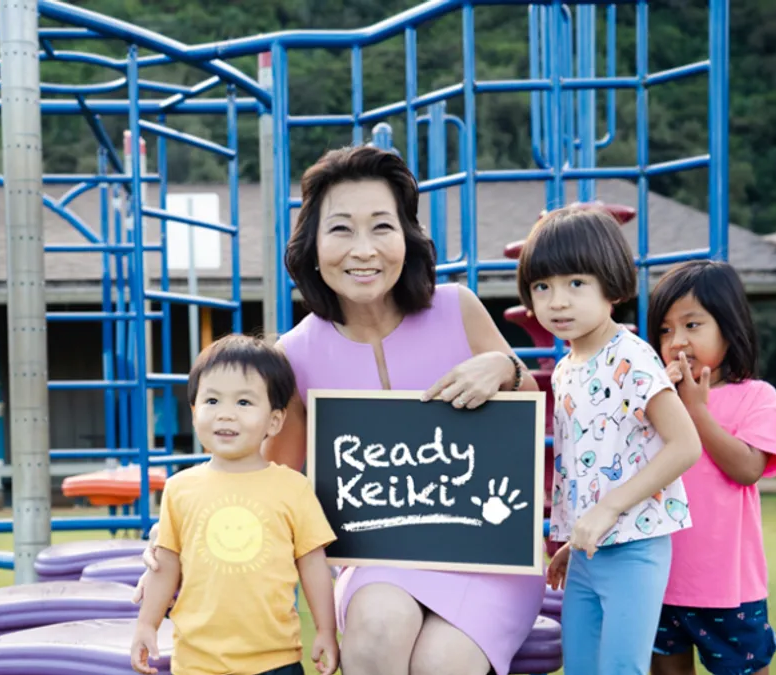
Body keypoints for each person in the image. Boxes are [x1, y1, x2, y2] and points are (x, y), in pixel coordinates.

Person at [138, 144, 547, 675]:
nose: (363, 249)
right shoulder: (295, 355)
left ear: (407, 237)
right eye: (341, 230)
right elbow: (269, 478)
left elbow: (529, 412)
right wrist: (176, 531)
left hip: (486, 559)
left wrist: (502, 368)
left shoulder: (458, 308)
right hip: (379, 559)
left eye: (381, 227)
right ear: (311, 245)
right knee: (376, 629)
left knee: (443, 663)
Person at [521, 207, 703, 675]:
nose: (557, 301)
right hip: (586, 552)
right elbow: (588, 461)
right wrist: (571, 539)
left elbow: (685, 445)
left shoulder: (631, 356)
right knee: (581, 665)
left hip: (635, 548)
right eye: (543, 287)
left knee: (622, 669)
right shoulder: (565, 369)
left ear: (612, 285)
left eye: (575, 283)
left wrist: (609, 509)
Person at [129, 334, 339, 675]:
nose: (226, 415)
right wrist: (146, 625)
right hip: (198, 663)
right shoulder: (179, 488)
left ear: (275, 420)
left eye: (244, 403)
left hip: (275, 660)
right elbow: (165, 564)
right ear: (195, 413)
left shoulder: (293, 487)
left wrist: (326, 631)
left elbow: (313, 565)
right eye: (212, 401)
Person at [645, 260, 776, 675]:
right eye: (666, 330)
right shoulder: (654, 399)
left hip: (729, 589)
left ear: (729, 327)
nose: (677, 342)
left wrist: (697, 412)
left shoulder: (756, 396)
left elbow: (746, 469)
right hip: (659, 578)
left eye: (692, 325)